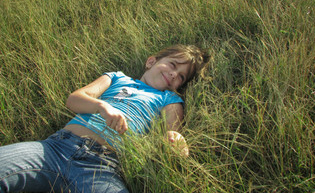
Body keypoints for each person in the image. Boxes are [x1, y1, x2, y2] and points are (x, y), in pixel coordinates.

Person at [0, 44, 210, 193]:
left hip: (102, 167)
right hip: (56, 149)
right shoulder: (118, 77)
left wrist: (175, 142)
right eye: (173, 65)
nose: (174, 75)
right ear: (151, 61)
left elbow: (171, 132)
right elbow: (74, 99)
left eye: (181, 76)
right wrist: (102, 106)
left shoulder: (169, 98)